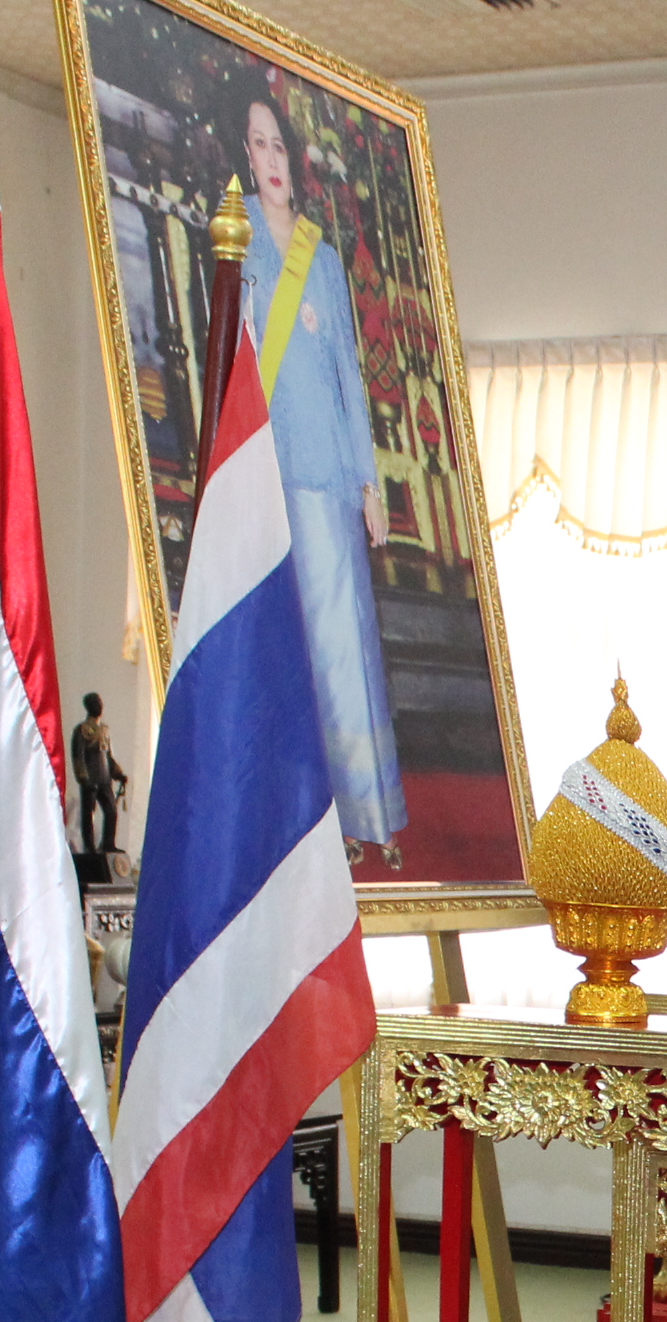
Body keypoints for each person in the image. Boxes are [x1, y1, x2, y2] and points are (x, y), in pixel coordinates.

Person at [233, 88, 408, 857]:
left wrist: (369, 483)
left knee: (345, 642)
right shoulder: (239, 248)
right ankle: (302, 815)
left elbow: (347, 373)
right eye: (257, 145)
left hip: (330, 472)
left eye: (279, 145)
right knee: (290, 646)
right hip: (272, 468)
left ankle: (362, 812)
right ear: (246, 155)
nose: (270, 160)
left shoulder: (322, 258)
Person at [70, 693, 123, 868]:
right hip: (90, 780)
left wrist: (118, 773)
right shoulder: (82, 730)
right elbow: (78, 757)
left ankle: (108, 843)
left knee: (111, 811)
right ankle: (90, 847)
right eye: (95, 703)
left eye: (99, 702)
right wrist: (84, 778)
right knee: (88, 814)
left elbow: (108, 756)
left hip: (104, 778)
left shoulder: (105, 730)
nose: (98, 705)